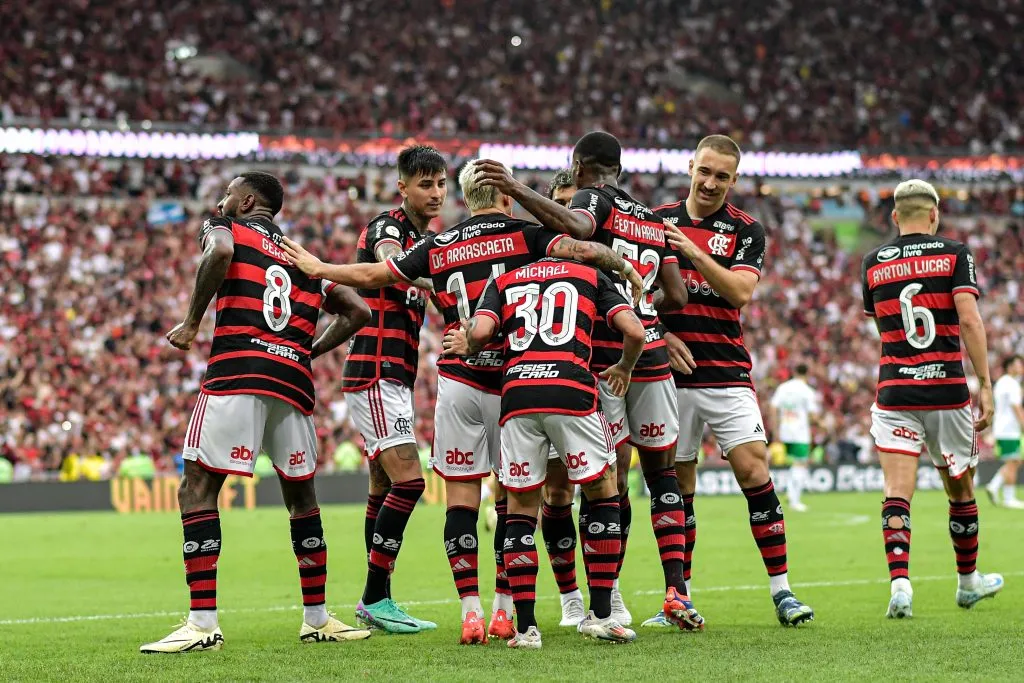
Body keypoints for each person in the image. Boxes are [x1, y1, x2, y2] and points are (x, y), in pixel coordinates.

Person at [281, 159, 641, 644]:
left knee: (462, 499)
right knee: (517, 500)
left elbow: (376, 274)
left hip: (459, 381)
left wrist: (319, 266)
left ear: (464, 197)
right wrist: (622, 264)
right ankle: (506, 610)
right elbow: (581, 247)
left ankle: (470, 613)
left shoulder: (439, 244)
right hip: (514, 381)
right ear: (506, 196)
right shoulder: (526, 235)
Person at [472, 131, 700, 632]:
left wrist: (515, 186)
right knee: (660, 477)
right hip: (651, 352)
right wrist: (642, 314)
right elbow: (676, 295)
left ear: (577, 168)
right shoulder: (651, 218)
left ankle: (605, 598)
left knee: (604, 483)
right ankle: (674, 592)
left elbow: (577, 224)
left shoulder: (589, 201)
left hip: (598, 361)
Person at [140, 172, 373, 653]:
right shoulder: (299, 255)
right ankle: (317, 618)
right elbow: (357, 311)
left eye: (227, 192)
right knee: (302, 500)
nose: (221, 199)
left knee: (198, 488)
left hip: (236, 371)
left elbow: (220, 253)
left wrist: (190, 324)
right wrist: (303, 352)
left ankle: (203, 623)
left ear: (247, 200)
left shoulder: (224, 226)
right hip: (291, 382)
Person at [650, 134, 814, 628]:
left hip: (725, 371)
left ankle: (782, 591)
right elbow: (633, 292)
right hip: (670, 376)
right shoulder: (656, 221)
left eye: (722, 175)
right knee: (678, 487)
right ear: (691, 168)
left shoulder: (746, 230)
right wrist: (658, 333)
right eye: (705, 170)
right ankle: (681, 595)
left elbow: (740, 291)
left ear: (734, 180)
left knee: (753, 471)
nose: (710, 182)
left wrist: (694, 254)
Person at [443, 256, 646, 648]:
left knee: (520, 507)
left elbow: (480, 332)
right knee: (603, 491)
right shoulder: (590, 274)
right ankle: (602, 615)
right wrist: (624, 367)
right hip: (570, 389)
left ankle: (526, 629)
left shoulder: (507, 280)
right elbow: (634, 331)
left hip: (517, 393)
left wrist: (465, 342)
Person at [861, 178, 1002, 619]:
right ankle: (966, 583)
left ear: (895, 217)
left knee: (896, 492)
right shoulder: (956, 254)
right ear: (936, 215)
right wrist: (986, 383)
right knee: (960, 490)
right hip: (946, 390)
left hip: (895, 390)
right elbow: (970, 320)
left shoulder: (871, 263)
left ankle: (900, 585)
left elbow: (881, 326)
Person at [338, 145, 446, 633]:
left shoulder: (431, 239)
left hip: (396, 374)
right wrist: (425, 273)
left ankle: (378, 598)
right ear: (403, 187)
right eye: (426, 184)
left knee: (383, 486)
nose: (436, 193)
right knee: (411, 481)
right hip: (375, 370)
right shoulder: (389, 227)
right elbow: (387, 259)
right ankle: (373, 597)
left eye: (442, 184)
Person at [539, 169, 588, 627]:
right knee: (556, 491)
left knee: (606, 487)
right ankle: (570, 596)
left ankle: (606, 597)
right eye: (563, 203)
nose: (571, 212)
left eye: (578, 203)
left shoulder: (598, 256)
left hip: (603, 383)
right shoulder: (535, 250)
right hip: (549, 382)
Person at [770, 363, 821, 512]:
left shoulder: (783, 387)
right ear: (807, 373)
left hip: (784, 430)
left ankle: (787, 493)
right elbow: (813, 415)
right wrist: (821, 423)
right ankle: (794, 500)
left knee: (787, 464)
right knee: (801, 464)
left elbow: (773, 407)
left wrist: (775, 429)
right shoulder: (807, 391)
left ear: (794, 372)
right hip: (800, 433)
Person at [985, 355, 1024, 508]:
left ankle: (994, 485)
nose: (1020, 367)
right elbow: (1015, 407)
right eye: (1018, 364)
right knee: (1013, 461)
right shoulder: (1012, 384)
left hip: (1001, 427)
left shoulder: (1002, 382)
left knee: (1015, 460)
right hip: (1010, 429)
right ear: (1010, 367)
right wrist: (1022, 423)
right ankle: (1009, 497)